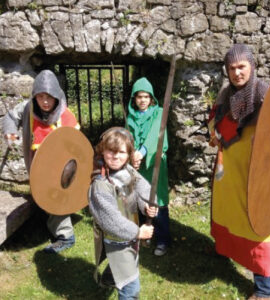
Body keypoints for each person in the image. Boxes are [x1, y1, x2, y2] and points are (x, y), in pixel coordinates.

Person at [208, 44, 270, 300]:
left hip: (259, 175)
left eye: (241, 67)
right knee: (233, 218)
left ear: (252, 66)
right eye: (232, 68)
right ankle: (229, 251)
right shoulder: (225, 95)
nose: (237, 73)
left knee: (262, 224)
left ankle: (264, 289)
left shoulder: (265, 93)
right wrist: (215, 132)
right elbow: (214, 124)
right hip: (231, 174)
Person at [2, 69, 80, 253]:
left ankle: (66, 236)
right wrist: (10, 133)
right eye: (41, 96)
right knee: (43, 198)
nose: (45, 102)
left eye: (49, 97)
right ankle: (50, 224)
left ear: (57, 96)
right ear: (35, 96)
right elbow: (11, 117)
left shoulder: (65, 115)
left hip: (58, 169)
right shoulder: (28, 107)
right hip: (37, 165)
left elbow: (75, 146)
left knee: (55, 199)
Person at [88, 127, 157, 299]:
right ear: (102, 151)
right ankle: (119, 282)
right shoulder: (101, 184)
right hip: (116, 238)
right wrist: (138, 232)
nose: (116, 156)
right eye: (111, 151)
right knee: (131, 287)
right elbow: (110, 220)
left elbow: (141, 186)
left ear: (129, 155)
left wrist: (147, 204)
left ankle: (109, 278)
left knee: (128, 261)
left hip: (130, 232)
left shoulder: (127, 170)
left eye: (121, 152)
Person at [127, 77, 171, 256]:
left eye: (146, 96)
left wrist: (141, 153)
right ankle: (144, 234)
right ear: (134, 99)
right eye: (139, 97)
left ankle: (162, 239)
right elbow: (127, 139)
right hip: (137, 165)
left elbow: (155, 136)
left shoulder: (159, 113)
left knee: (157, 201)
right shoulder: (130, 117)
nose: (143, 100)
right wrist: (131, 156)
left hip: (155, 163)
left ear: (151, 98)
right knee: (139, 200)